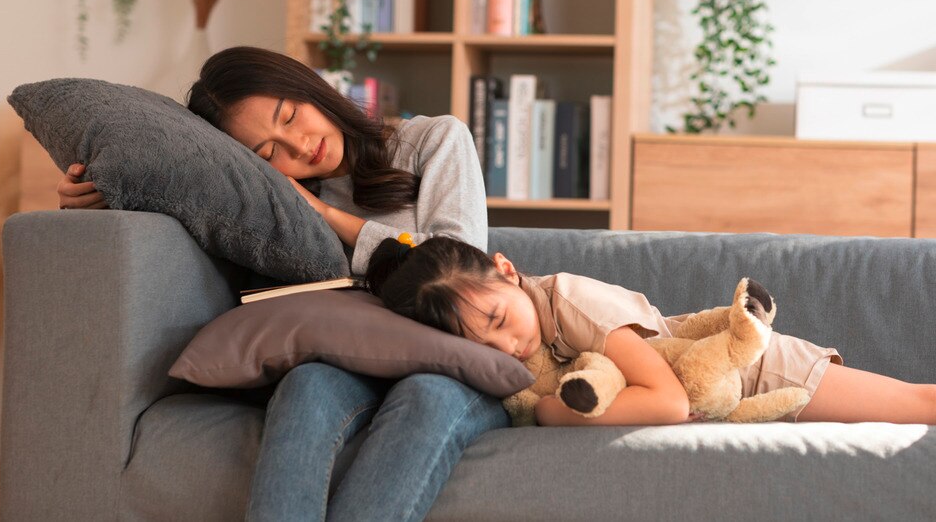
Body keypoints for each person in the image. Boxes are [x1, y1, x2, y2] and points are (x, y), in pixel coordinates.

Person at [57, 46, 508, 521]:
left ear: (308, 87)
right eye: (269, 152)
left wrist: (329, 217)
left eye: (290, 116)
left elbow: (463, 267)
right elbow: (194, 207)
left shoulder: (434, 140)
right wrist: (102, 197)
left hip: (453, 359)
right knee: (307, 387)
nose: (298, 146)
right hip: (351, 358)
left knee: (425, 397)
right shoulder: (273, 207)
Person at [365, 235, 936, 426]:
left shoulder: (567, 303)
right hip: (722, 397)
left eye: (498, 320)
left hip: (751, 365)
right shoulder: (528, 340)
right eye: (480, 346)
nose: (508, 348)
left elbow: (664, 401)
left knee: (913, 407)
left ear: (508, 269)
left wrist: (551, 413)